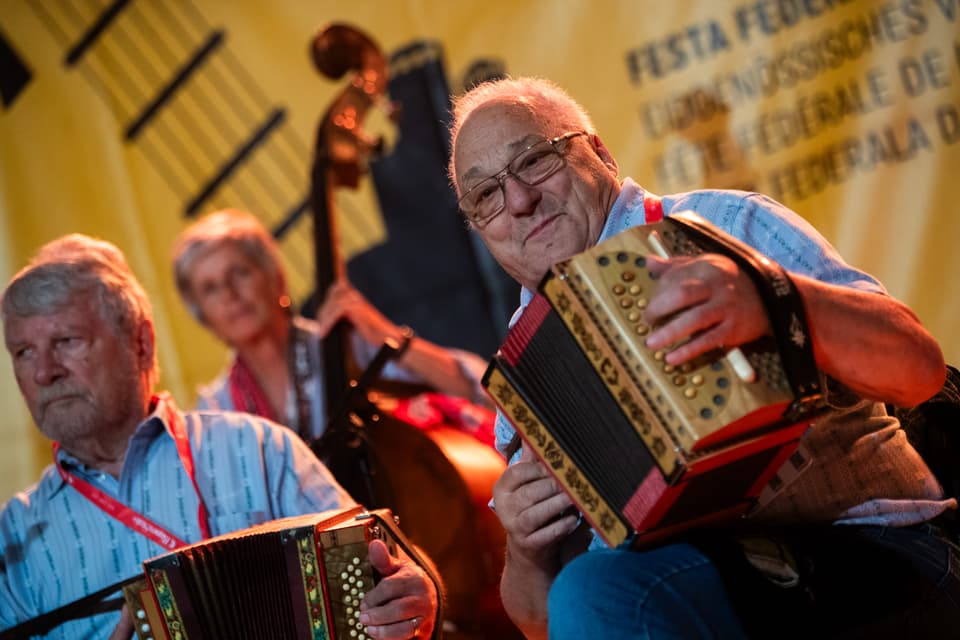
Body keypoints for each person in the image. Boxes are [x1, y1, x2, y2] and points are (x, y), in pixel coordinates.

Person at [447, 76, 960, 638]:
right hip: (695, 590)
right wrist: (525, 550)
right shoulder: (526, 375)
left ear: (599, 153)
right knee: (587, 588)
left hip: (870, 560)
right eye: (486, 196)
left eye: (536, 160)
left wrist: (771, 298)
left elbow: (919, 367)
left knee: (599, 588)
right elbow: (539, 622)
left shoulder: (722, 226)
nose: (519, 201)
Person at [0, 234, 439, 640]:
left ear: (141, 344)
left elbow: (392, 572)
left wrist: (416, 595)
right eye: (23, 352)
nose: (44, 372)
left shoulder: (259, 447)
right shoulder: (14, 535)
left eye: (68, 341)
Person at [171, 209, 494, 446]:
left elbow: (478, 392)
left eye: (239, 273)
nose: (229, 295)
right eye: (210, 289)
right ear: (204, 317)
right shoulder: (215, 412)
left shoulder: (344, 344)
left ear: (276, 279)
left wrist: (388, 336)